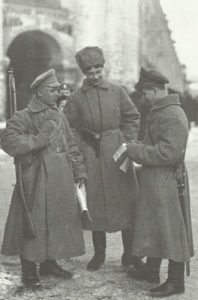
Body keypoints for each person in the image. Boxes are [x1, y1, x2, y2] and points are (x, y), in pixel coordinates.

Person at [1, 69, 87, 289]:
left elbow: (71, 144)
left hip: (60, 178)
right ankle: (29, 272)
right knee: (33, 223)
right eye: (52, 89)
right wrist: (37, 140)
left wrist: (79, 170)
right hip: (36, 179)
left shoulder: (59, 115)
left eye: (58, 89)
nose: (57, 93)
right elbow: (8, 142)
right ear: (39, 92)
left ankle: (50, 263)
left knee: (57, 221)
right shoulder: (24, 116)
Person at [64, 46, 142, 271]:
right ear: (84, 73)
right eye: (90, 72)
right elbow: (66, 125)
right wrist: (80, 143)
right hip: (92, 154)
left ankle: (129, 254)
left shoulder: (117, 91)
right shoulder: (77, 98)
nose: (95, 75)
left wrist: (126, 141)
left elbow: (132, 116)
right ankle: (99, 254)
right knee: (96, 203)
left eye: (98, 70)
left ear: (103, 68)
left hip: (118, 153)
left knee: (126, 201)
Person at [125, 67, 194, 297]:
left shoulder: (172, 114)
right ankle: (152, 271)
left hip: (166, 179)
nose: (143, 99)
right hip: (156, 179)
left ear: (153, 90)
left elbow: (169, 153)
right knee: (155, 224)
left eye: (144, 94)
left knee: (170, 228)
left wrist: (137, 151)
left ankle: (176, 282)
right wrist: (139, 145)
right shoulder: (161, 110)